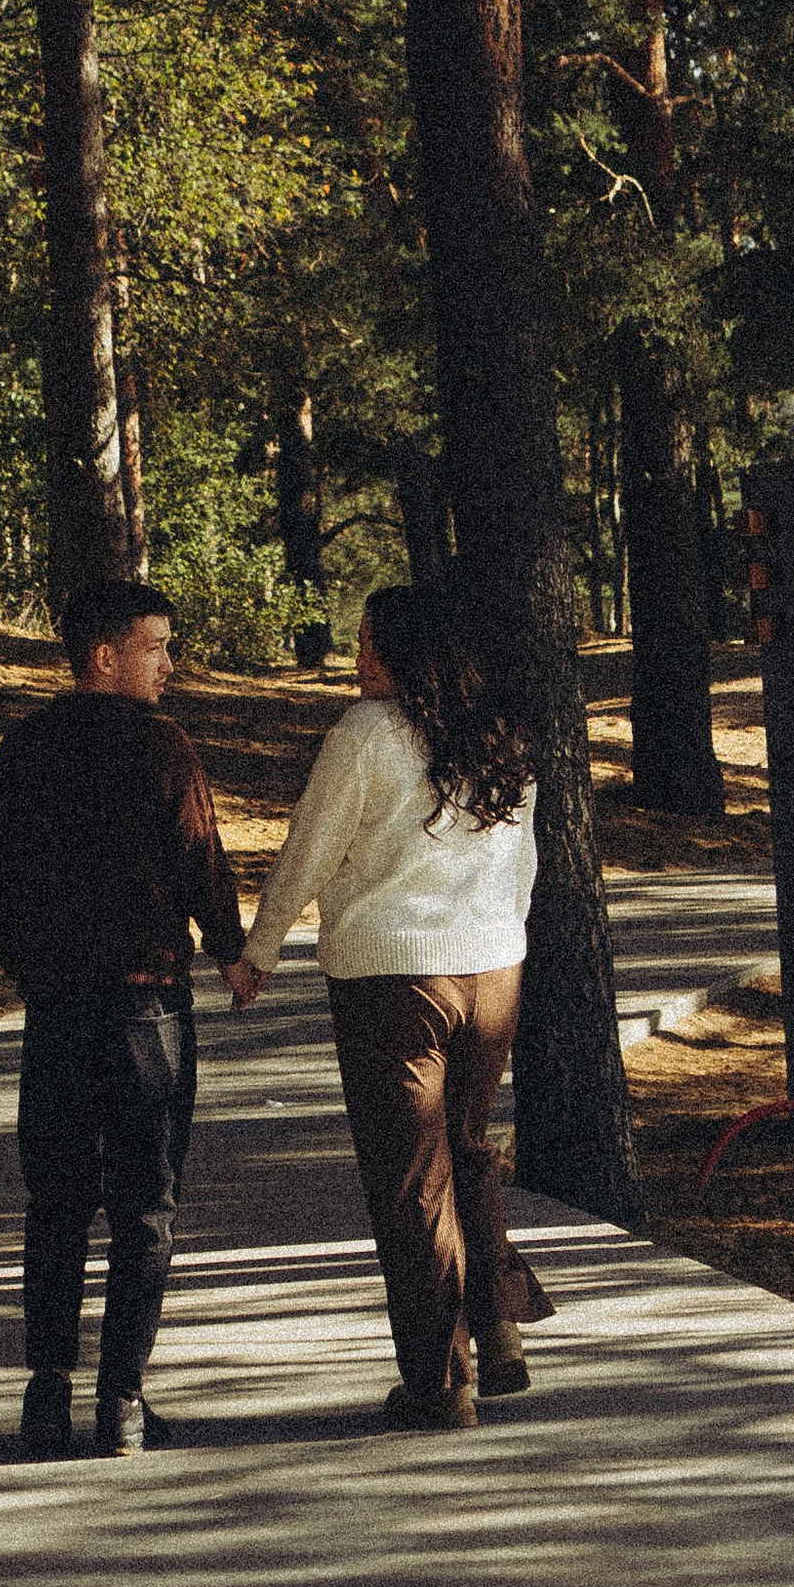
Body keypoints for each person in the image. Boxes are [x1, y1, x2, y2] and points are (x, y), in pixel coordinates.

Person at [230, 586, 536, 1431]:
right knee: (467, 1150)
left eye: (368, 642)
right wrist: (503, 940)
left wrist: (259, 950)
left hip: (394, 981)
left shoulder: (364, 735)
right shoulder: (503, 732)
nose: (358, 657)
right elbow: (524, 861)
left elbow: (309, 851)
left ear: (407, 651)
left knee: (412, 1182)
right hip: (494, 971)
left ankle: (440, 1383)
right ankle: (499, 1330)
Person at [0, 573, 247, 1459]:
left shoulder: (23, 747)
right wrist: (230, 950)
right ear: (104, 655)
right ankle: (122, 1400)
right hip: (145, 1008)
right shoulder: (162, 746)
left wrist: (35, 973)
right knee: (145, 1207)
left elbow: (0, 887)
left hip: (57, 1013)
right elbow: (200, 858)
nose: (170, 664)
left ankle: (47, 1395)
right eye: (155, 647)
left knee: (56, 1203)